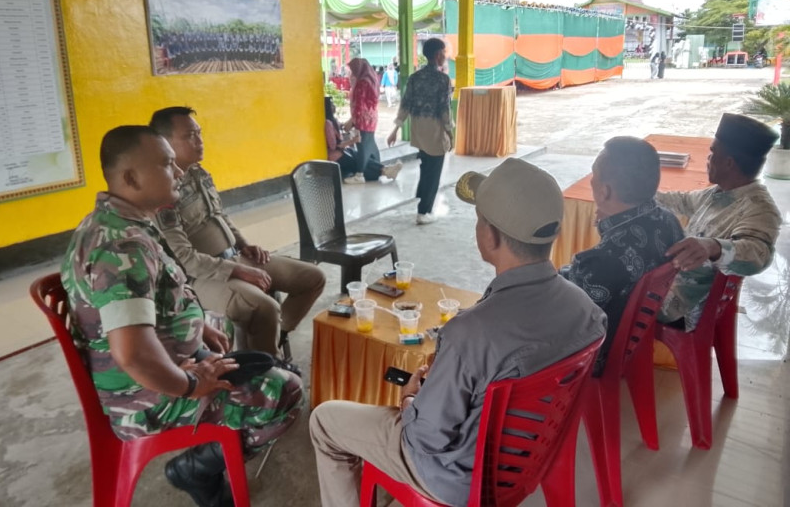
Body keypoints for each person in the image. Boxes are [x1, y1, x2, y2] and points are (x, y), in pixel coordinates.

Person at [309, 158, 607, 507]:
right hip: (528, 461)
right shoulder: (588, 311)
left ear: (490, 235)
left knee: (324, 420)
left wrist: (409, 401)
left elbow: (426, 439)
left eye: (479, 219)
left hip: (458, 480)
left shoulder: (470, 333)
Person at [61, 126, 302, 507]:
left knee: (262, 360)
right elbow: (134, 355)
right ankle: (197, 468)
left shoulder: (119, 223)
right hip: (144, 396)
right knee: (285, 392)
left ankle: (209, 442)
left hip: (167, 361)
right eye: (166, 164)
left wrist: (198, 326)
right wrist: (192, 386)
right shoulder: (121, 246)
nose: (177, 172)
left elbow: (153, 301)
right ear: (130, 178)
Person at [149, 106, 326, 359]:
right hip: (202, 277)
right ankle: (269, 370)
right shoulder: (163, 190)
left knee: (313, 277)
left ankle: (274, 338)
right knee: (263, 307)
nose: (199, 141)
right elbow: (185, 259)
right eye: (189, 136)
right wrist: (239, 270)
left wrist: (244, 244)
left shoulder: (199, 174)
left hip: (235, 257)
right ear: (165, 143)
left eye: (199, 133)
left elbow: (220, 216)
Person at [560, 137, 684, 373]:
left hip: (599, 352)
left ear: (605, 191)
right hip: (635, 336)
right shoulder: (668, 220)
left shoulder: (603, 260)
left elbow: (571, 315)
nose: (592, 181)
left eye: (593, 176)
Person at [658, 113, 781, 331]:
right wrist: (637, 192)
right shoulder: (718, 193)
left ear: (729, 163)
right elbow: (682, 201)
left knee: (606, 298)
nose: (707, 160)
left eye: (712, 153)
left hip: (684, 308)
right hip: (668, 287)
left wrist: (713, 247)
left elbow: (758, 254)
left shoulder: (758, 208)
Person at [387, 38, 454, 225]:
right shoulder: (443, 79)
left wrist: (396, 129)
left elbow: (405, 104)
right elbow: (444, 109)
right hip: (434, 130)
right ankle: (424, 211)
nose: (445, 56)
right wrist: (450, 132)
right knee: (433, 173)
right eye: (443, 52)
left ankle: (421, 204)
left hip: (418, 130)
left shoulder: (414, 78)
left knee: (425, 168)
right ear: (437, 54)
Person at [324, 97, 402, 182]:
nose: (334, 106)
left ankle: (386, 169)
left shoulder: (333, 120)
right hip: (336, 157)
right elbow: (333, 147)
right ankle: (386, 171)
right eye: (331, 105)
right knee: (358, 163)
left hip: (343, 152)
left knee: (361, 158)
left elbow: (343, 127)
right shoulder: (328, 123)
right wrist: (352, 141)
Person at [343, 57, 380, 185]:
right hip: (372, 117)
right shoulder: (372, 80)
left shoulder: (361, 83)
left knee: (362, 145)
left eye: (353, 69)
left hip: (362, 118)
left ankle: (359, 174)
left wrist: (353, 122)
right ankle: (378, 169)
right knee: (370, 143)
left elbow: (359, 104)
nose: (352, 72)